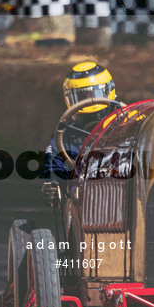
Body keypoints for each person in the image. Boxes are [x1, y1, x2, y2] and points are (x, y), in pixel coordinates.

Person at [42, 62, 119, 204]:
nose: (88, 101)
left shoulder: (126, 124)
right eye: (81, 97)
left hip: (121, 197)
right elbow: (53, 166)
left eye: (93, 94)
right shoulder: (65, 135)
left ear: (108, 91)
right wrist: (52, 183)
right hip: (81, 203)